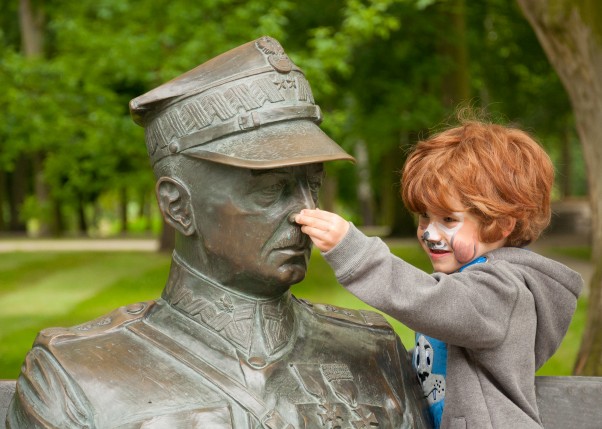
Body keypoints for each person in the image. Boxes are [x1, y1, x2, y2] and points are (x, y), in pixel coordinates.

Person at [7, 36, 430, 428]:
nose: (308, 212)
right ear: (178, 206)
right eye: (272, 190)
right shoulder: (78, 374)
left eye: (312, 184)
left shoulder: (374, 353)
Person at [295, 118, 583, 428]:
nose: (430, 234)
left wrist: (354, 251)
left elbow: (429, 301)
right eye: (423, 217)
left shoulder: (502, 292)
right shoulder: (468, 282)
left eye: (448, 219)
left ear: (501, 223)